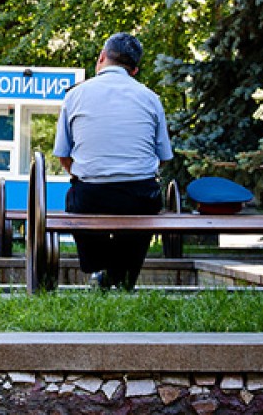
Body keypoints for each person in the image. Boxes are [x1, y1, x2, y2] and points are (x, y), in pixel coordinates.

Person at [52, 32, 173, 290]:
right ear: (135, 70)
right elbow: (163, 158)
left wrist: (91, 172)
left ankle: (101, 268)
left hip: (91, 195)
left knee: (76, 201)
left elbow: (63, 154)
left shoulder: (74, 96)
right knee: (143, 211)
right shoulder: (151, 98)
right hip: (139, 196)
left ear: (102, 57)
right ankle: (122, 276)